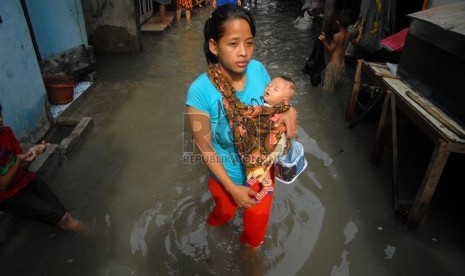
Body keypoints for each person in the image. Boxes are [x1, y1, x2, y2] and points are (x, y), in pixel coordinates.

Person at [186, 4, 297, 248]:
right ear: (214, 46)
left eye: (249, 43)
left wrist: (290, 110)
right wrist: (232, 188)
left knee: (254, 238)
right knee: (222, 216)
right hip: (227, 179)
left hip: (262, 175)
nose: (244, 52)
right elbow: (204, 148)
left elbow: (274, 106)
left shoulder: (258, 70)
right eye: (233, 43)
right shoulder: (200, 91)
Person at [0, 103, 91, 233]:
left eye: (0, 114)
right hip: (8, 196)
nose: (0, 119)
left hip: (26, 180)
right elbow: (3, 185)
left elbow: (23, 166)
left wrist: (34, 153)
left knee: (63, 215)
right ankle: (105, 236)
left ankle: (78, 228)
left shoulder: (6, 132)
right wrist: (20, 160)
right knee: (65, 220)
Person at [240, 76, 297, 202]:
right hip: (267, 143)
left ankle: (267, 186)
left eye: (276, 89)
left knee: (261, 159)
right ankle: (256, 176)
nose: (269, 88)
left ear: (284, 100)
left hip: (272, 146)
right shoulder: (269, 106)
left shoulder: (279, 110)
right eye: (269, 85)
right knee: (255, 157)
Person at [318, 10, 353, 92]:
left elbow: (330, 50)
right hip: (342, 65)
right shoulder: (349, 34)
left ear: (338, 22)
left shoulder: (337, 36)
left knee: (326, 92)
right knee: (336, 89)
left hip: (333, 65)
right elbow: (357, 42)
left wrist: (324, 41)